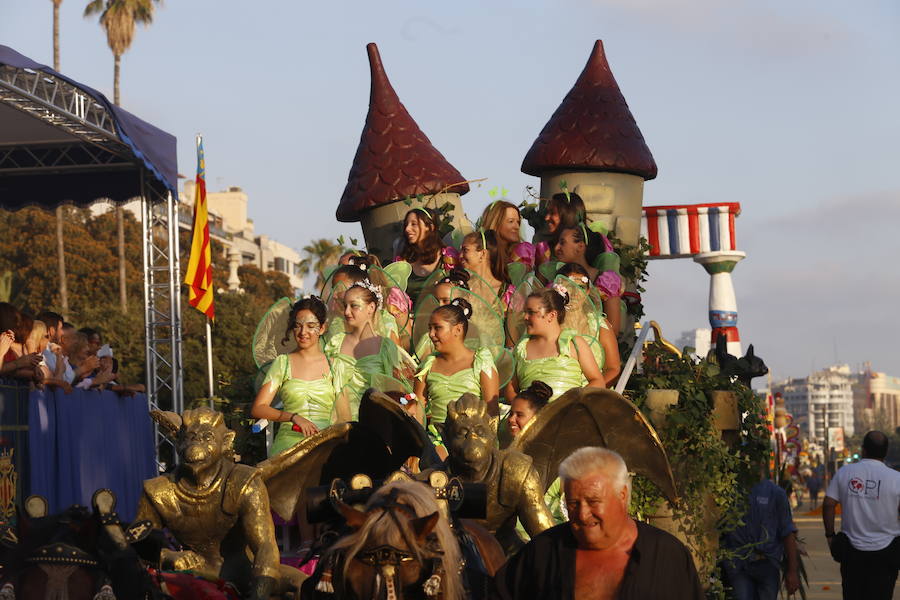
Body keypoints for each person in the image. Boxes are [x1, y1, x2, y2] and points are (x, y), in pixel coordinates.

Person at [493, 446, 703, 600]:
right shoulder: (544, 551)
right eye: (573, 503)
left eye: (593, 502)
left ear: (622, 495)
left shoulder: (666, 555)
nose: (583, 514)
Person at [252, 296, 344, 456]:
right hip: (289, 444)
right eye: (297, 326)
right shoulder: (282, 363)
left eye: (311, 326)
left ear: (322, 328)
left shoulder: (334, 365)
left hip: (326, 441)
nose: (303, 332)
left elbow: (345, 415)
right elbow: (259, 408)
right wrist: (293, 417)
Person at [413, 298, 499, 455]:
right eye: (429, 328)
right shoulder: (428, 364)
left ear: (458, 330)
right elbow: (417, 409)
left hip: (473, 443)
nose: (431, 334)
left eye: (437, 328)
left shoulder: (480, 360)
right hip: (436, 443)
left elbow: (492, 410)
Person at [823, 430, 900, 600]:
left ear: (863, 450)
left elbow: (829, 504)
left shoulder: (845, 473)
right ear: (886, 452)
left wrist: (830, 536)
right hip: (886, 554)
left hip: (852, 552)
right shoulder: (896, 479)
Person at [324, 280, 416, 420]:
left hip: (374, 423)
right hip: (336, 423)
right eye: (345, 306)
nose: (347, 311)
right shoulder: (335, 343)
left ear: (371, 307)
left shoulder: (385, 348)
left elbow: (399, 392)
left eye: (354, 306)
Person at [505, 287, 605, 402]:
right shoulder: (522, 347)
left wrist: (571, 403)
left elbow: (597, 381)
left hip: (568, 414)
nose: (525, 317)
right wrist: (524, 410)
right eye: (525, 312)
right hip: (530, 418)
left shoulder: (574, 343)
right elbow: (511, 388)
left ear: (551, 315)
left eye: (531, 312)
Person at [721, 467, 800, 600]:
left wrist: (792, 571)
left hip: (767, 565)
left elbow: (787, 532)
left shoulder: (776, 493)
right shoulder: (730, 492)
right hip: (739, 566)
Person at [554, 225, 623, 336]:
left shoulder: (606, 281)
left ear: (580, 246)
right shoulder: (557, 280)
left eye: (562, 242)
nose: (556, 248)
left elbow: (613, 329)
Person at [396, 207, 445, 305]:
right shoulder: (403, 261)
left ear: (430, 227)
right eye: (406, 224)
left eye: (414, 224)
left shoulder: (447, 258)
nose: (407, 229)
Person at [460, 229, 510, 307]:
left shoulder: (507, 293)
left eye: (465, 250)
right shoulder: (460, 288)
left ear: (483, 254)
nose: (460, 256)